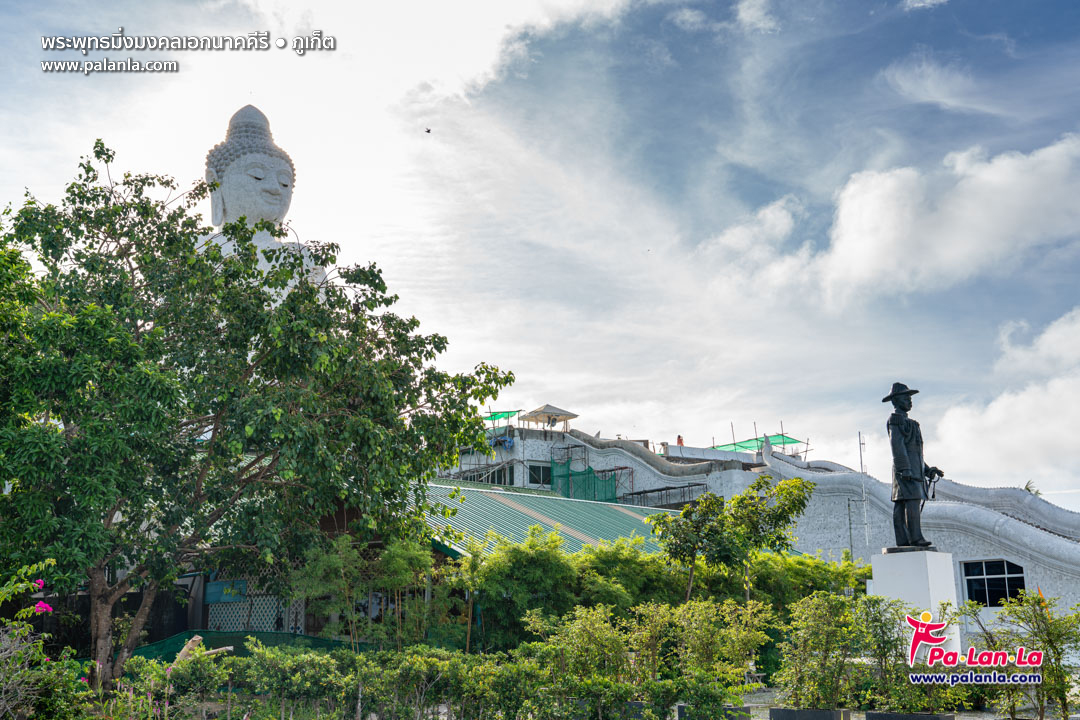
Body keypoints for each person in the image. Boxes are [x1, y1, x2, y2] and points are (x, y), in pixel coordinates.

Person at [883, 382, 944, 548]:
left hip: (913, 469)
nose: (910, 401)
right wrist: (905, 468)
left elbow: (915, 452)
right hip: (905, 470)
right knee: (908, 503)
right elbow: (897, 446)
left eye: (910, 398)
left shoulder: (912, 423)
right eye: (906, 397)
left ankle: (907, 539)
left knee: (908, 502)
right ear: (896, 400)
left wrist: (926, 469)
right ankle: (914, 538)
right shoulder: (895, 419)